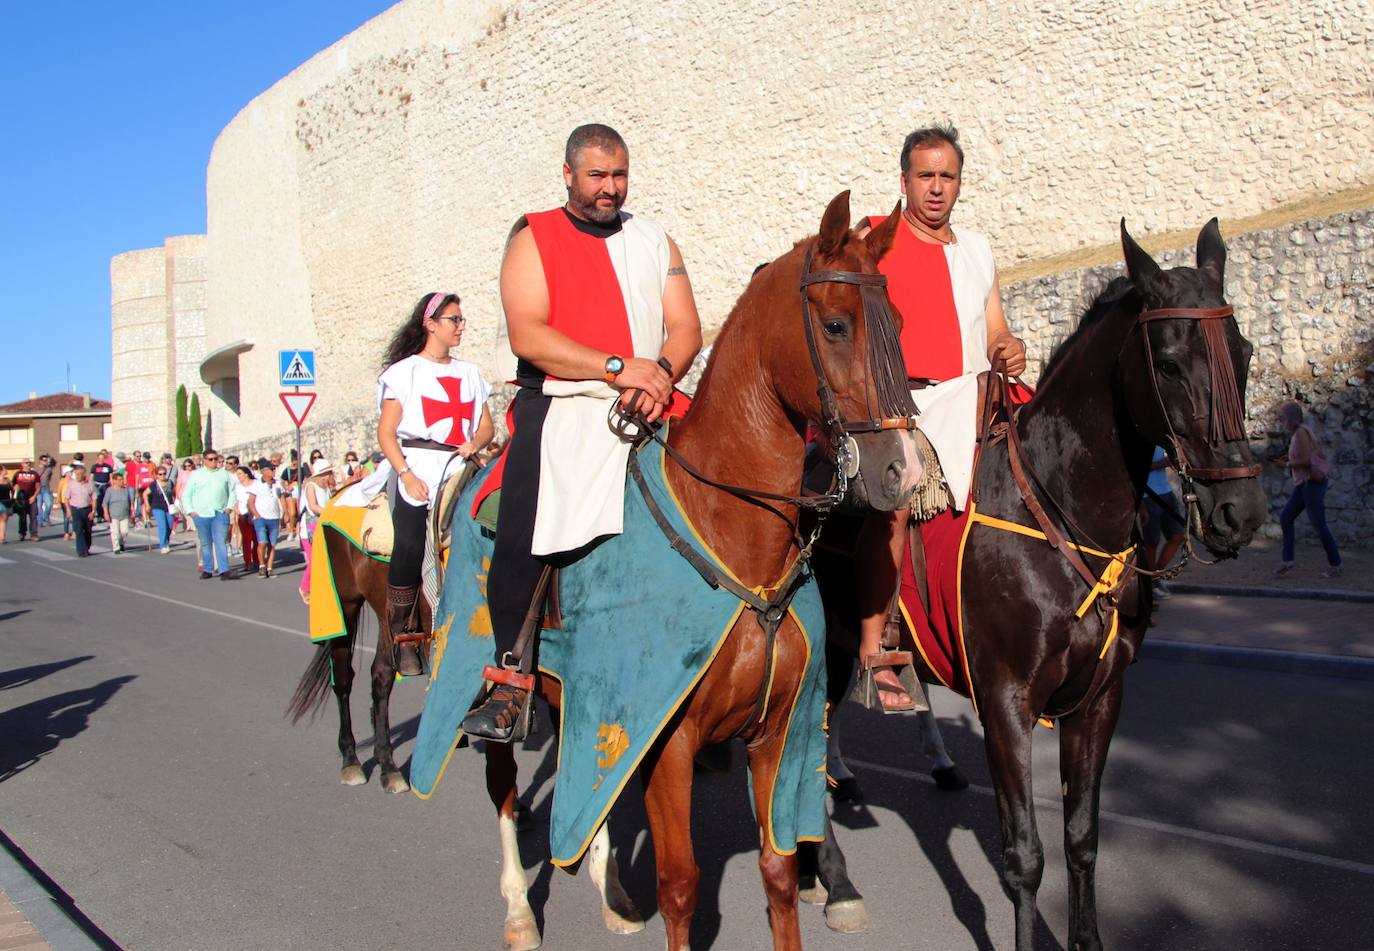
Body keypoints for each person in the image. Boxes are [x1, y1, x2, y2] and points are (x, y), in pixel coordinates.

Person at [461, 123, 703, 741]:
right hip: (565, 398)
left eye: (619, 175)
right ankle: (510, 677)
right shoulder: (533, 237)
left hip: (654, 397)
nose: (610, 188)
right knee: (527, 515)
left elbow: (685, 327)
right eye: (597, 175)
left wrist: (660, 377)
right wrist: (620, 367)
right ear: (568, 173)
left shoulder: (654, 240)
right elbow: (529, 335)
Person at [854, 124, 1028, 711]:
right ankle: (877, 651)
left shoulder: (977, 249)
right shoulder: (874, 239)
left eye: (946, 176)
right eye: (924, 176)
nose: (935, 188)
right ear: (904, 181)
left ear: (959, 183)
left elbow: (996, 328)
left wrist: (1009, 346)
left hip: (976, 395)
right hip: (904, 404)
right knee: (896, 505)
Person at [374, 291, 495, 674]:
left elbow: (488, 426)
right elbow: (387, 433)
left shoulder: (470, 373)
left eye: (461, 320)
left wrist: (473, 443)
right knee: (409, 541)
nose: (461, 326)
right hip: (417, 465)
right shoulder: (404, 372)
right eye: (454, 320)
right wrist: (406, 476)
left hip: (462, 463)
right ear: (431, 324)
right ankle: (404, 630)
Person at [1274, 400, 1342, 579]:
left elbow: (1305, 461)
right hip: (1304, 484)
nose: (1280, 422)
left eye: (1282, 418)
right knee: (1286, 517)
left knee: (1319, 525)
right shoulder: (1298, 433)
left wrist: (1287, 463)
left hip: (1311, 484)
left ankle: (1335, 564)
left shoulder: (1301, 433)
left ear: (1291, 419)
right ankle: (1288, 561)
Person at [183, 451, 236, 579]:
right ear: (204, 460)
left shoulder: (223, 474)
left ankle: (224, 570)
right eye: (210, 459)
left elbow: (232, 491)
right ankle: (208, 568)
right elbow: (187, 494)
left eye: (215, 459)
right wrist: (191, 511)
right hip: (202, 513)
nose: (214, 462)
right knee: (206, 542)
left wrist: (229, 507)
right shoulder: (196, 475)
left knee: (220, 542)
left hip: (220, 512)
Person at [1140, 447, 1186, 599]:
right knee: (1151, 543)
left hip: (1165, 492)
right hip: (1147, 495)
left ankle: (1154, 577)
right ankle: (1149, 585)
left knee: (1178, 535)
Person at [297, 460, 338, 602]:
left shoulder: (325, 488)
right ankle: (305, 587)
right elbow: (313, 506)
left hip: (322, 524)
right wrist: (329, 513)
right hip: (310, 527)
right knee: (314, 560)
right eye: (329, 473)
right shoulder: (311, 486)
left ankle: (321, 588)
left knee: (324, 559)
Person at [248, 464, 284, 577]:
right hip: (261, 518)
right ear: (265, 471)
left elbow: (281, 497)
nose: (274, 471)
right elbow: (251, 502)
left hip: (274, 517)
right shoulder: (257, 484)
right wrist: (256, 515)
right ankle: (262, 566)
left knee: (272, 545)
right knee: (262, 542)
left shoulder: (277, 483)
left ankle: (269, 567)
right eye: (272, 469)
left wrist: (285, 512)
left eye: (274, 469)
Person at [232, 466, 261, 573]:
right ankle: (248, 562)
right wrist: (239, 512)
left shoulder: (256, 484)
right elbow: (235, 502)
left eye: (240, 474)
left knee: (257, 539)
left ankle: (257, 560)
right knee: (246, 539)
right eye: (237, 474)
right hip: (243, 515)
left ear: (246, 474)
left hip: (256, 514)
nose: (238, 476)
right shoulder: (237, 487)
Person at [144, 462, 177, 553]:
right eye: (160, 474)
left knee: (170, 526)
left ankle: (166, 541)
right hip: (157, 506)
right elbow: (145, 494)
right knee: (162, 526)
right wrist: (147, 505)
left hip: (169, 507)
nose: (162, 476)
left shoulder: (170, 482)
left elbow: (174, 493)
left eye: (164, 474)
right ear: (156, 475)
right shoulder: (154, 484)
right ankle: (163, 545)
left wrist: (176, 502)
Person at [65, 464, 96, 556]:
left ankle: (87, 546)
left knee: (88, 530)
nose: (77, 476)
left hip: (87, 509)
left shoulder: (90, 484)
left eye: (79, 474)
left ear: (84, 474)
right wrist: (68, 510)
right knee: (78, 530)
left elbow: (94, 498)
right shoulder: (71, 484)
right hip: (76, 509)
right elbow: (66, 498)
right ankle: (81, 551)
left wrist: (93, 511)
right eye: (76, 474)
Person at [102, 471, 137, 552]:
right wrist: (106, 513)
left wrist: (132, 511)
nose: (121, 481)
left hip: (125, 514)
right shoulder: (110, 490)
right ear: (114, 481)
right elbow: (105, 503)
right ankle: (116, 548)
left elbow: (130, 501)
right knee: (115, 533)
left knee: (125, 532)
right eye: (119, 480)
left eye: (122, 479)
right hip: (114, 515)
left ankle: (121, 543)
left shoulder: (125, 490)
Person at [11, 459, 40, 541]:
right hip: (21, 498)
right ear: (22, 464)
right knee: (22, 517)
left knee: (33, 516)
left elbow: (38, 487)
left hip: (32, 497)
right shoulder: (18, 473)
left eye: (29, 463)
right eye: (26, 463)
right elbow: (13, 484)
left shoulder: (34, 474)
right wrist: (15, 488)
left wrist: (34, 496)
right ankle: (22, 533)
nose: (28, 464)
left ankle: (34, 534)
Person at [90, 452, 114, 521]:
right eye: (99, 458)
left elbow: (111, 477)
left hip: (105, 485)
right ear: (97, 459)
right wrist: (91, 485)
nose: (101, 460)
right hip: (97, 485)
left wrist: (112, 486)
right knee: (98, 500)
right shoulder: (94, 467)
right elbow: (91, 477)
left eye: (102, 458)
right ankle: (99, 516)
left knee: (105, 500)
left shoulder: (108, 467)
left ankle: (106, 515)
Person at [174, 458, 195, 533]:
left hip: (193, 495)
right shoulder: (182, 473)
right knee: (186, 511)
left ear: (192, 465)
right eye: (185, 466)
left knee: (192, 509)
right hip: (183, 495)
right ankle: (190, 525)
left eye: (189, 465)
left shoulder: (195, 473)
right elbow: (178, 485)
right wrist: (177, 495)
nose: (187, 467)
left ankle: (188, 525)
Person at [36, 454, 55, 527]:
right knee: (38, 506)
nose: (46, 462)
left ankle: (46, 517)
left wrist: (50, 487)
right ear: (40, 461)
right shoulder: (35, 469)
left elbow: (49, 478)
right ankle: (40, 521)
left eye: (47, 460)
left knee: (49, 504)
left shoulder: (49, 469)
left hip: (46, 488)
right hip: (37, 489)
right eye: (44, 460)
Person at [0, 466, 12, 543]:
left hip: (7, 500)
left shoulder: (7, 480)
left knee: (4, 519)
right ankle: (2, 537)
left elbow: (12, 488)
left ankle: (2, 537)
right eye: (4, 469)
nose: (6, 470)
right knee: (4, 517)